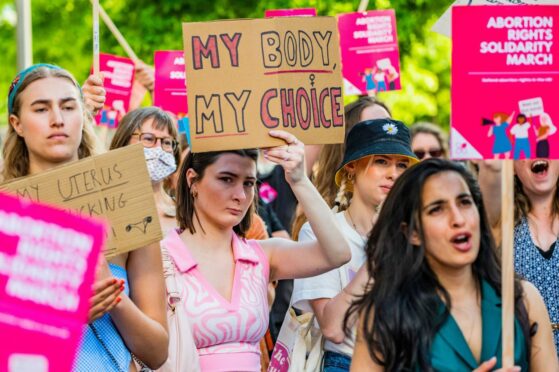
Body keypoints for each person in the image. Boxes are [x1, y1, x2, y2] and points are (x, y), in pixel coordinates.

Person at [3, 64, 168, 371]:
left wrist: (112, 293)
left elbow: (157, 352)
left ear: (83, 113)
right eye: (40, 109)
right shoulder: (6, 217)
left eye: (68, 106)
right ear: (17, 123)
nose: (57, 119)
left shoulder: (128, 203)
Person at [162, 130, 351, 371]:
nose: (240, 195)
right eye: (226, 179)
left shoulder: (261, 255)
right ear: (192, 180)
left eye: (249, 183)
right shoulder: (162, 256)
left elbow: (338, 253)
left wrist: (299, 179)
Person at [349, 159, 558, 371]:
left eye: (465, 202)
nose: (458, 219)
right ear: (412, 232)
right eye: (437, 209)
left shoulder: (523, 300)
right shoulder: (385, 314)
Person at [291, 119, 418, 371]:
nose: (393, 173)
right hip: (345, 363)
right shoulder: (322, 232)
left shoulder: (417, 233)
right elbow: (332, 328)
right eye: (381, 161)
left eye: (402, 165)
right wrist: (380, 252)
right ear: (351, 168)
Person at [292, 96, 391, 239]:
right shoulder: (317, 226)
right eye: (372, 133)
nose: (387, 141)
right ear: (349, 161)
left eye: (390, 127)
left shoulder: (413, 220)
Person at [109, 107, 180, 234]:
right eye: (148, 139)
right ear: (123, 144)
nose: (159, 148)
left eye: (167, 142)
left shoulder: (186, 213)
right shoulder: (106, 209)